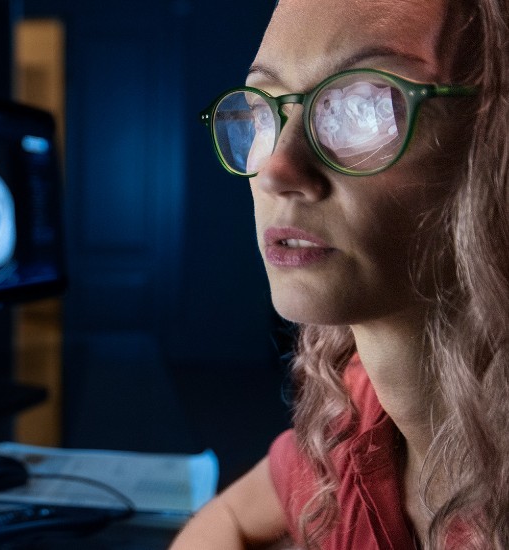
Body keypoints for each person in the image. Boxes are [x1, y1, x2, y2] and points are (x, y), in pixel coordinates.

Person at [171, 0, 509, 548]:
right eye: (265, 106)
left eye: (364, 106)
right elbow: (229, 517)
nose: (277, 169)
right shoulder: (355, 416)